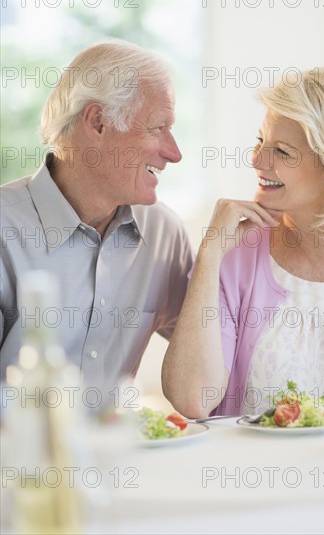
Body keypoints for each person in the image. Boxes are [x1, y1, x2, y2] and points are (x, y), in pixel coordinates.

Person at [162, 67, 324, 417]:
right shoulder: (234, 258)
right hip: (254, 472)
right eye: (260, 142)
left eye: (282, 152)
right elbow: (193, 399)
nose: (256, 160)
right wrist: (210, 253)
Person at [0, 40, 194, 401]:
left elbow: (215, 371)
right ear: (98, 122)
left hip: (121, 456)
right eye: (158, 128)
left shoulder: (164, 233)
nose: (174, 153)